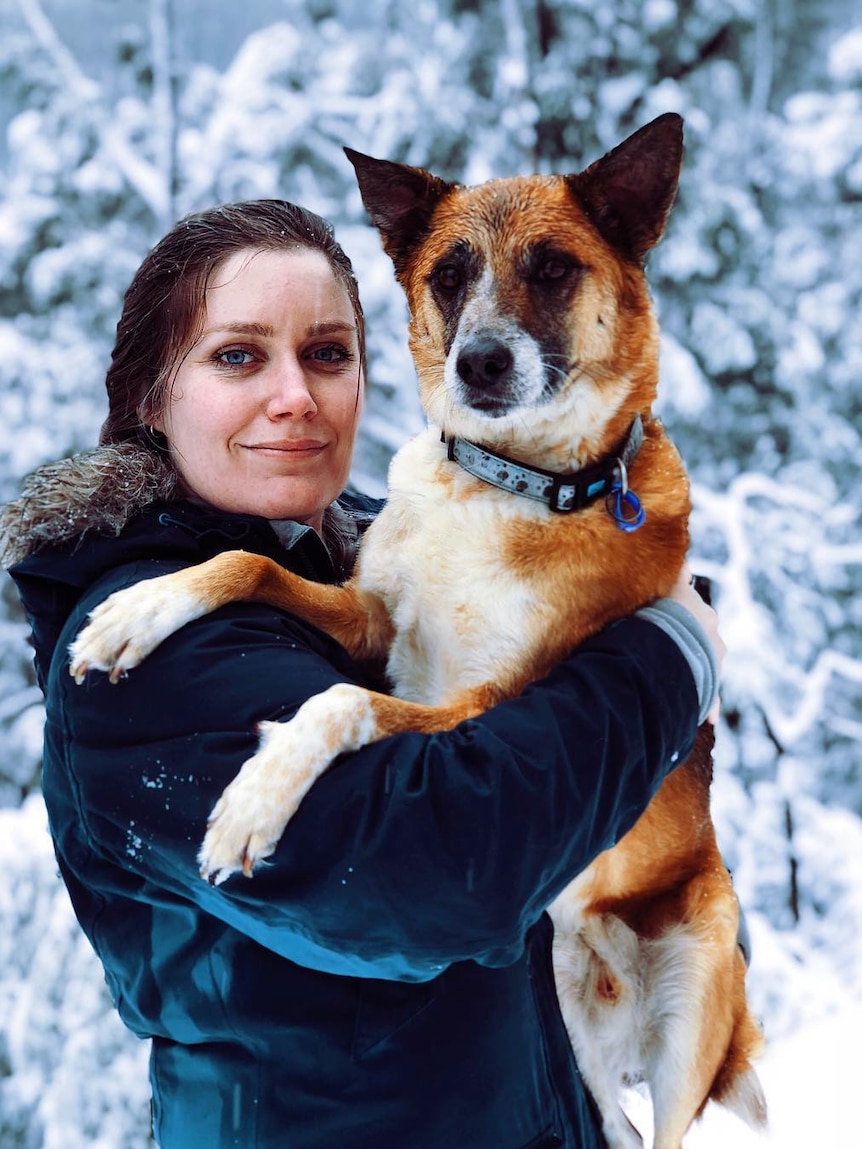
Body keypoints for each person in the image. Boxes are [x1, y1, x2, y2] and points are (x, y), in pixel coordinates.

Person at [2, 199, 726, 1149]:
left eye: (329, 353)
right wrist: (673, 652)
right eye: (238, 356)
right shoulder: (142, 659)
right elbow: (443, 869)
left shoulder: (375, 555)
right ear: (151, 395)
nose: (296, 394)